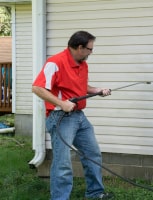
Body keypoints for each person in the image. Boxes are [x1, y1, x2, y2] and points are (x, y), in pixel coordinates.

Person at [32, 31, 113, 200]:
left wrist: (96, 90)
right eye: (90, 49)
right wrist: (62, 104)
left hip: (79, 117)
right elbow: (37, 88)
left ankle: (95, 193)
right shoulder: (55, 62)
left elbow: (79, 87)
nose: (91, 52)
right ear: (79, 47)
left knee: (92, 154)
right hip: (61, 119)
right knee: (63, 163)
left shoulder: (82, 64)